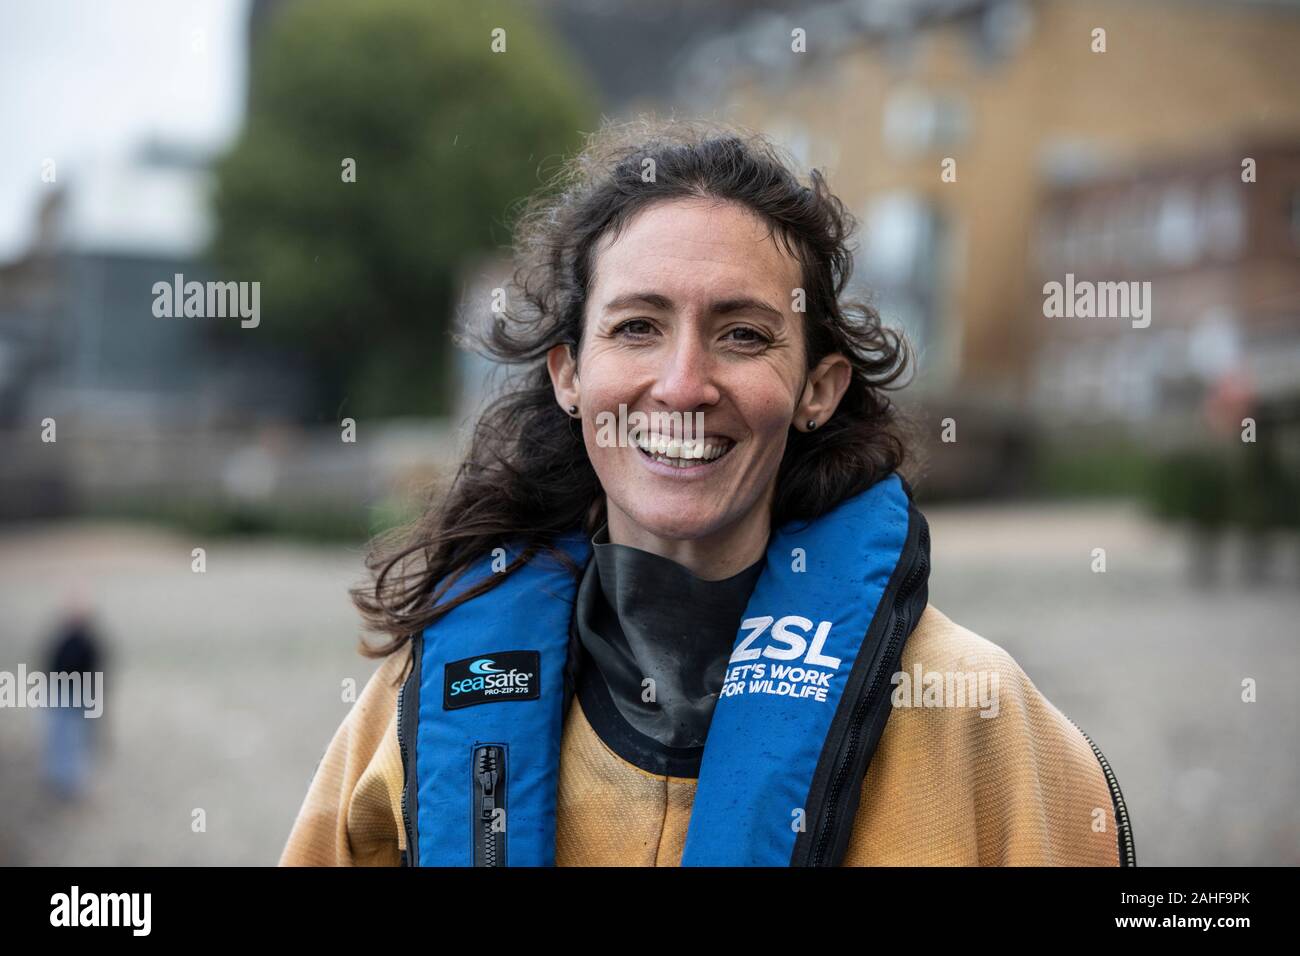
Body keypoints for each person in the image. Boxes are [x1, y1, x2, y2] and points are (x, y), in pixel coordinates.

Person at [279, 118, 1133, 867]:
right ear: (570, 374)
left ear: (819, 389)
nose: (683, 385)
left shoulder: (973, 710)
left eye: (744, 334)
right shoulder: (427, 693)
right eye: (638, 327)